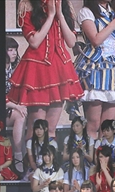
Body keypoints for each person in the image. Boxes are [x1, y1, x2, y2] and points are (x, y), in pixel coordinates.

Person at [7, 0, 84, 148]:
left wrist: (59, 14)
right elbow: (34, 42)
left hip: (60, 68)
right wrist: (50, 16)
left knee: (51, 128)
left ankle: (48, 159)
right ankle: (32, 160)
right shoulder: (28, 5)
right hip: (38, 68)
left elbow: (71, 42)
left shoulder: (63, 4)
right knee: (37, 126)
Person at [75, 0, 115, 138]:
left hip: (114, 69)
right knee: (93, 124)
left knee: (107, 125)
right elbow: (96, 40)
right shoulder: (87, 12)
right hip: (96, 67)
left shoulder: (114, 13)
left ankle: (105, 151)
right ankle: (90, 151)